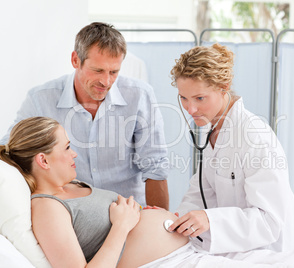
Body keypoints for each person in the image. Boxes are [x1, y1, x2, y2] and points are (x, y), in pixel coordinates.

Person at [0, 117, 294, 268]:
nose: (74, 154)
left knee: (289, 262)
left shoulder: (73, 186)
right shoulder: (46, 208)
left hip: (189, 251)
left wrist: (138, 213)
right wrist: (124, 225)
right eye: (67, 148)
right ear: (42, 160)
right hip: (169, 263)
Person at [0, 22, 169, 209]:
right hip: (72, 213)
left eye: (114, 72)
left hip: (129, 211)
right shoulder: (40, 99)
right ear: (75, 60)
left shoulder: (140, 95)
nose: (106, 81)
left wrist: (159, 221)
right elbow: (11, 152)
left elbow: (155, 166)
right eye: (98, 71)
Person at [168, 43, 294, 258]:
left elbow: (269, 220)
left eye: (199, 98)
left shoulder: (254, 136)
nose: (190, 109)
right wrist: (175, 219)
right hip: (239, 251)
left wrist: (209, 220)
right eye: (183, 98)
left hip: (275, 252)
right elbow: (203, 192)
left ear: (223, 88)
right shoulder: (212, 130)